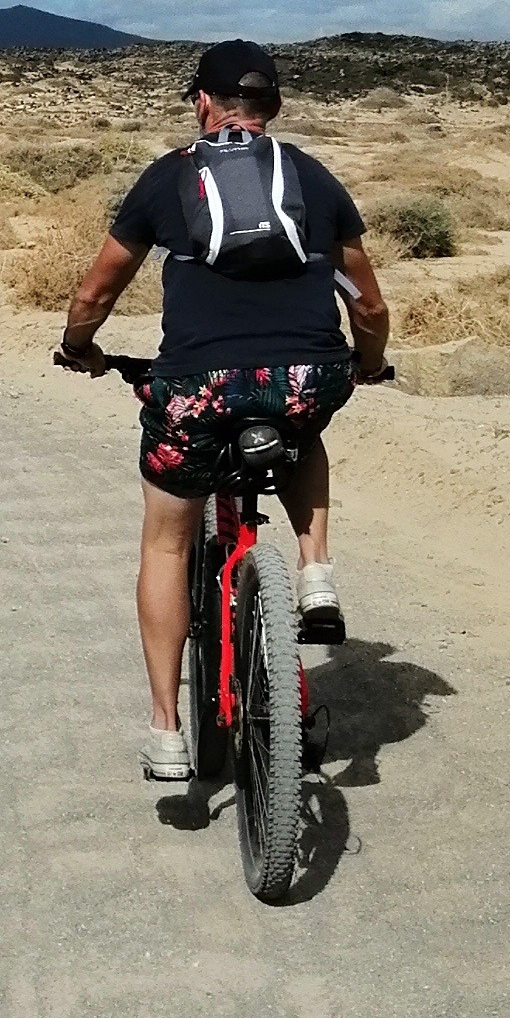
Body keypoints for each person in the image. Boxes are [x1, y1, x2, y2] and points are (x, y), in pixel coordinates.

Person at [53, 40, 389, 784]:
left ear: (201, 102)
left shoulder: (167, 177)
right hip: (306, 377)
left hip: (197, 388)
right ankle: (314, 571)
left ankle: (169, 730)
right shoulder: (311, 176)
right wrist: (367, 364)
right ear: (272, 106)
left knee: (168, 544)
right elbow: (366, 302)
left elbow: (97, 292)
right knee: (304, 426)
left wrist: (80, 347)